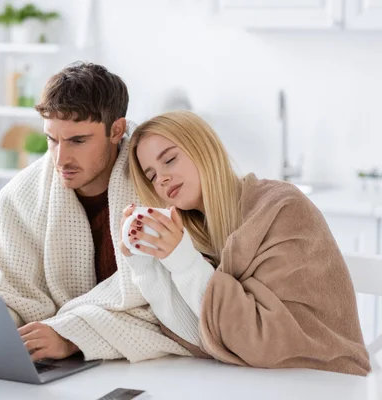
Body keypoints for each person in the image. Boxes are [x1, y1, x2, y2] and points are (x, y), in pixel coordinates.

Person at [0, 63, 199, 363]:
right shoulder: (21, 194)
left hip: (157, 371)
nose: (61, 158)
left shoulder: (159, 188)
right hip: (49, 362)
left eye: (78, 141)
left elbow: (173, 307)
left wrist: (73, 334)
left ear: (117, 130)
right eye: (52, 139)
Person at [119, 110, 371, 375]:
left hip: (326, 382)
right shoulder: (195, 237)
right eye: (152, 176)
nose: (162, 179)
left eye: (169, 159)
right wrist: (143, 262)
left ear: (203, 148)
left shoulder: (282, 208)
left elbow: (268, 342)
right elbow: (200, 333)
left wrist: (184, 262)